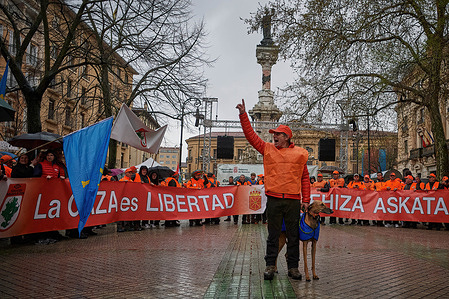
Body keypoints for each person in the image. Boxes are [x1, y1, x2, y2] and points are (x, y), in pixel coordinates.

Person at [237, 99, 310, 281]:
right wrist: (243, 115)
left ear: (286, 137)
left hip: (293, 200)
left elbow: (305, 178)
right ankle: (270, 265)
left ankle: (293, 268)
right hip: (274, 198)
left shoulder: (300, 154)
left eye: (277, 134)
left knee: (294, 236)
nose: (274, 136)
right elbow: (251, 136)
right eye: (274, 134)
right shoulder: (267, 149)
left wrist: (306, 200)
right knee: (273, 235)